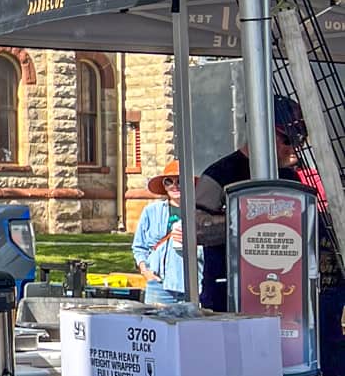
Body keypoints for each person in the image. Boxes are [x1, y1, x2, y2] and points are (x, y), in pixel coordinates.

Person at [194, 94, 307, 310]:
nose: (295, 148)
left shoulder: (291, 177)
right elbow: (196, 228)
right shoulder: (220, 174)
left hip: (283, 293)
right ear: (261, 132)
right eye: (288, 139)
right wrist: (249, 222)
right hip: (227, 294)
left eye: (299, 140)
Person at [131, 160, 186, 304]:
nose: (174, 186)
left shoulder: (199, 213)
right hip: (158, 286)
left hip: (191, 286)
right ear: (164, 186)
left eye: (180, 181)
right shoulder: (151, 211)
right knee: (157, 325)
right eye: (169, 181)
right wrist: (146, 272)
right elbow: (139, 246)